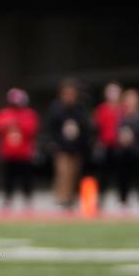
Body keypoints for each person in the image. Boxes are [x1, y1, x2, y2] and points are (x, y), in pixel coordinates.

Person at [44, 81, 91, 209]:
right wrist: (52, 143)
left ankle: (70, 198)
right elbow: (50, 128)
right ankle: (62, 198)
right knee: (63, 172)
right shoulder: (56, 109)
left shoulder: (80, 109)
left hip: (76, 147)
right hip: (61, 147)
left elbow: (86, 128)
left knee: (74, 172)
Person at [0, 88, 38, 208]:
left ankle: (27, 199)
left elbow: (32, 129)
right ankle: (8, 199)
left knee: (26, 178)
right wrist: (7, 124)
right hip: (8, 152)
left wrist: (16, 124)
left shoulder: (28, 114)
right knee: (8, 179)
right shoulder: (4, 113)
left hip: (24, 152)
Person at [116, 88, 139, 208]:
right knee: (123, 175)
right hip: (124, 150)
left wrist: (132, 135)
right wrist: (122, 136)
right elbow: (118, 129)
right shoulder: (121, 114)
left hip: (137, 149)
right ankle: (123, 199)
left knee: (138, 175)